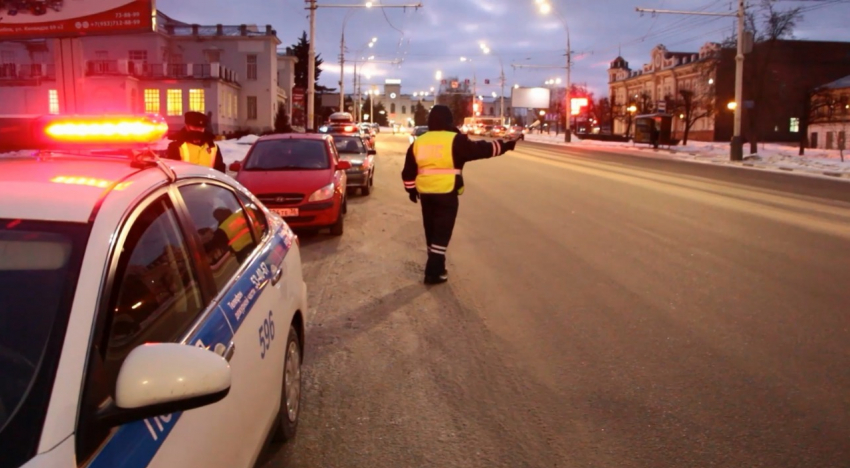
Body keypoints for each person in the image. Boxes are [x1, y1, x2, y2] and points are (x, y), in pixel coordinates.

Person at [401, 105, 517, 285]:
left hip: (426, 194)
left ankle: (439, 269)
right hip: (447, 193)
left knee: (431, 231)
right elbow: (481, 149)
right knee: (442, 232)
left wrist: (411, 190)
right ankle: (432, 272)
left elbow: (408, 170)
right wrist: (505, 145)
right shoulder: (455, 140)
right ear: (448, 120)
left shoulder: (419, 142)